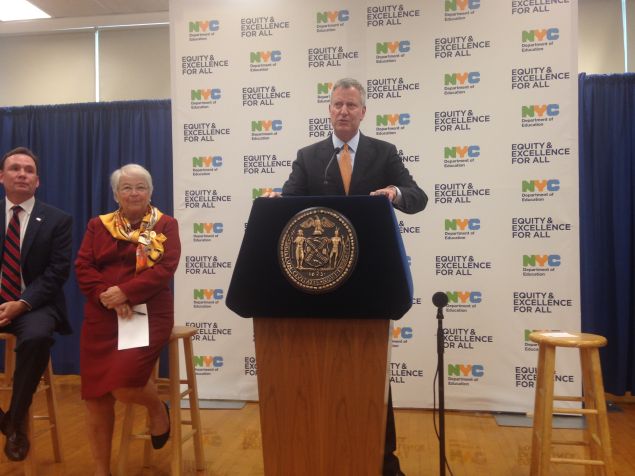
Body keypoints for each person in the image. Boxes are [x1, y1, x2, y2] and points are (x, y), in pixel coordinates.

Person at [269, 78, 427, 476]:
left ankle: (382, 460)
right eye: (337, 104)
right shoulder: (310, 156)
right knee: (316, 367)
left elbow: (417, 196)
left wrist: (394, 192)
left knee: (370, 370)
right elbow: (290, 201)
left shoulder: (383, 152)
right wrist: (275, 201)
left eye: (351, 105)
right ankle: (317, 450)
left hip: (369, 278)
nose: (343, 111)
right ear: (329, 110)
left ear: (362, 112)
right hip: (317, 282)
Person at [75, 164, 180, 476]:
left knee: (123, 386)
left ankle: (156, 407)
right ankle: (101, 470)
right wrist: (107, 295)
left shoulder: (165, 225)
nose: (134, 193)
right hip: (103, 313)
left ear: (150, 192)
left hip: (148, 312)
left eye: (140, 187)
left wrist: (127, 293)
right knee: (96, 397)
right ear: (116, 194)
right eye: (127, 188)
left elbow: (165, 269)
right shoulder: (98, 225)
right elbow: (83, 266)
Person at [0, 146, 72, 461]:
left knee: (39, 337)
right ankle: (6, 421)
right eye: (15, 168)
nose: (22, 174)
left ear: (37, 181)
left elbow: (57, 272)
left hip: (35, 305)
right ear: (2, 177)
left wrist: (22, 302)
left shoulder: (58, 220)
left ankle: (16, 421)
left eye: (28, 170)